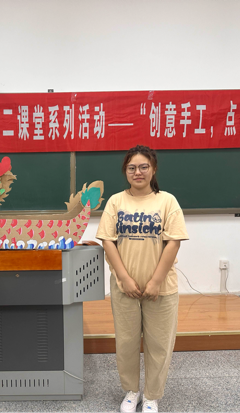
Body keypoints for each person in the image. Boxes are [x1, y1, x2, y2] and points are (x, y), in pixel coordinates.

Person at [96, 145, 188, 413]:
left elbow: (173, 243)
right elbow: (108, 241)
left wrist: (156, 282)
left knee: (159, 344)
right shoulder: (116, 202)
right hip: (125, 288)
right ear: (125, 171)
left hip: (161, 288)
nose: (138, 172)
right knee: (126, 342)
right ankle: (131, 391)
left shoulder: (167, 201)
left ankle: (151, 396)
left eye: (143, 167)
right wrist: (123, 278)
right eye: (132, 168)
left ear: (153, 169)